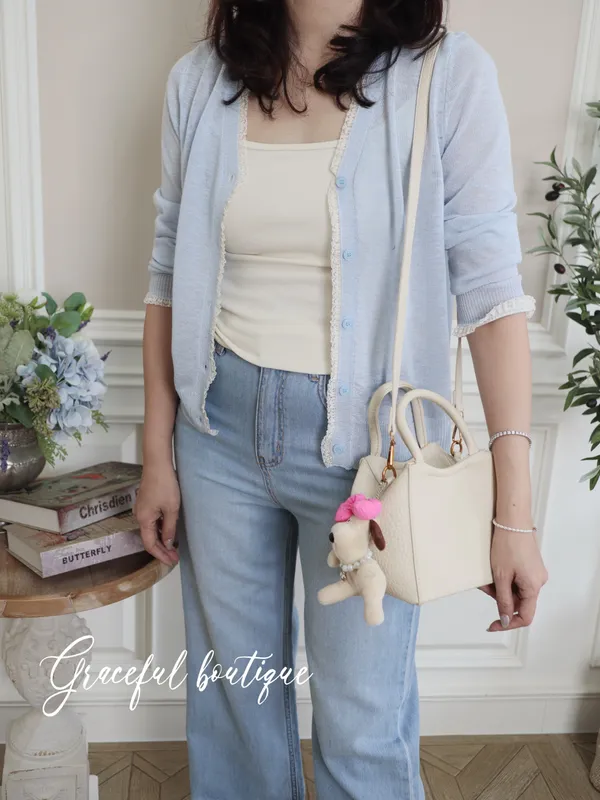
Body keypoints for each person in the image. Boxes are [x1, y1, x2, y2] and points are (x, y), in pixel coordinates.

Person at [134, 1, 548, 797]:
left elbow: (492, 295)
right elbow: (167, 271)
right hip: (215, 437)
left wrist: (514, 516)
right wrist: (158, 451)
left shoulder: (446, 75)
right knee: (235, 710)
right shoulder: (200, 81)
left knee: (362, 727)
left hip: (372, 456)